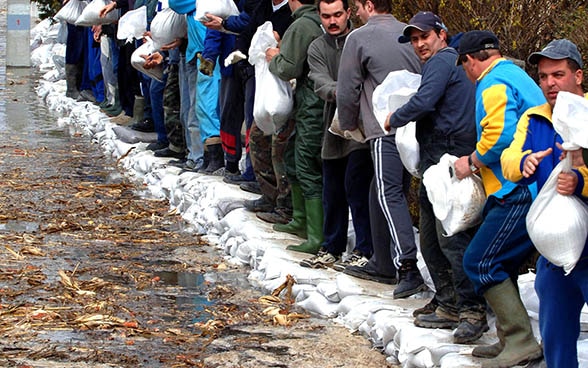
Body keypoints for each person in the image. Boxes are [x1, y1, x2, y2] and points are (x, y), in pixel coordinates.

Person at [384, 11, 487, 343]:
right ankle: (447, 301)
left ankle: (472, 308)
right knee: (429, 238)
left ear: (441, 35)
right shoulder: (439, 63)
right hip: (434, 161)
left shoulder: (444, 59)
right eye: (414, 39)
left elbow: (425, 101)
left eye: (423, 36)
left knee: (452, 238)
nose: (419, 44)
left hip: (450, 160)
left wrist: (394, 117)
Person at [452, 30, 545, 366]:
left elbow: (500, 136)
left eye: (463, 63)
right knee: (499, 261)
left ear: (470, 60)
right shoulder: (514, 73)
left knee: (480, 261)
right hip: (526, 182)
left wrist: (471, 162)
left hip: (518, 187)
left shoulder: (492, 83)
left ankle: (521, 341)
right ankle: (511, 338)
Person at [502, 38, 588, 368]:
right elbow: (510, 158)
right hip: (555, 250)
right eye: (543, 76)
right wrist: (523, 163)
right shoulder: (535, 119)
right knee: (555, 338)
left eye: (558, 74)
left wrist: (581, 181)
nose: (549, 83)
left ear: (577, 76)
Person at [336, 0, 424, 298]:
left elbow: (347, 88)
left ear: (369, 5)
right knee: (386, 188)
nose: (356, 14)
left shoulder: (359, 37)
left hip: (384, 126)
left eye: (357, 7)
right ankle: (382, 261)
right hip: (415, 127)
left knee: (388, 191)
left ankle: (406, 266)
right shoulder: (412, 33)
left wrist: (348, 125)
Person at [299, 0, 373, 270]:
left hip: (362, 128)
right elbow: (319, 81)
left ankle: (365, 247)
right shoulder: (318, 47)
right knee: (332, 190)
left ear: (348, 13)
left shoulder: (361, 39)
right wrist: (345, 92)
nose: (333, 21)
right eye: (327, 16)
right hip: (333, 126)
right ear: (319, 16)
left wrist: (348, 93)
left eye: (338, 15)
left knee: (357, 187)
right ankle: (332, 246)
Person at [266, 0, 325, 254]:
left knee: (305, 163)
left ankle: (314, 235)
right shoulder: (317, 22)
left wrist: (273, 59)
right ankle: (300, 219)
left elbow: (288, 66)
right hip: (314, 102)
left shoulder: (302, 25)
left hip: (311, 104)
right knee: (292, 156)